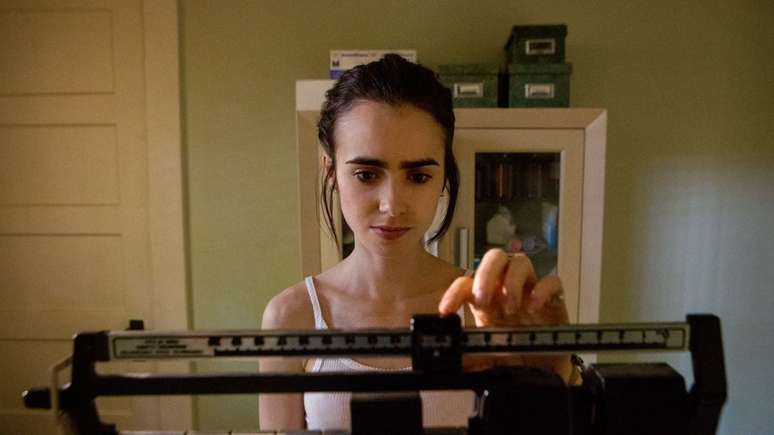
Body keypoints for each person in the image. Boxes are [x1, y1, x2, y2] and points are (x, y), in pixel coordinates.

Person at [259, 54, 576, 432]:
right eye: (366, 174)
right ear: (331, 172)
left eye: (418, 176)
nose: (392, 205)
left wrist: (556, 375)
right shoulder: (291, 317)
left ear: (443, 177)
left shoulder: (488, 311)